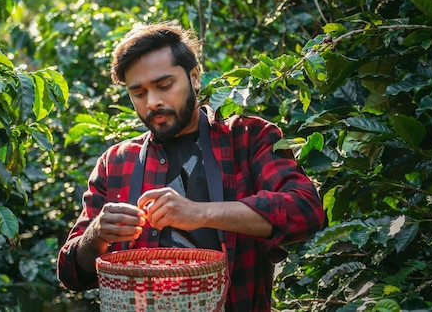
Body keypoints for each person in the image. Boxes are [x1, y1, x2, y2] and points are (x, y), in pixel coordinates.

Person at [57, 22, 325, 311]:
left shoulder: (248, 138)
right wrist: (96, 234)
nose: (153, 102)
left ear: (194, 77)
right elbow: (72, 273)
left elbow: (305, 210)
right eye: (138, 93)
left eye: (164, 85)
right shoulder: (116, 162)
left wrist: (199, 213)